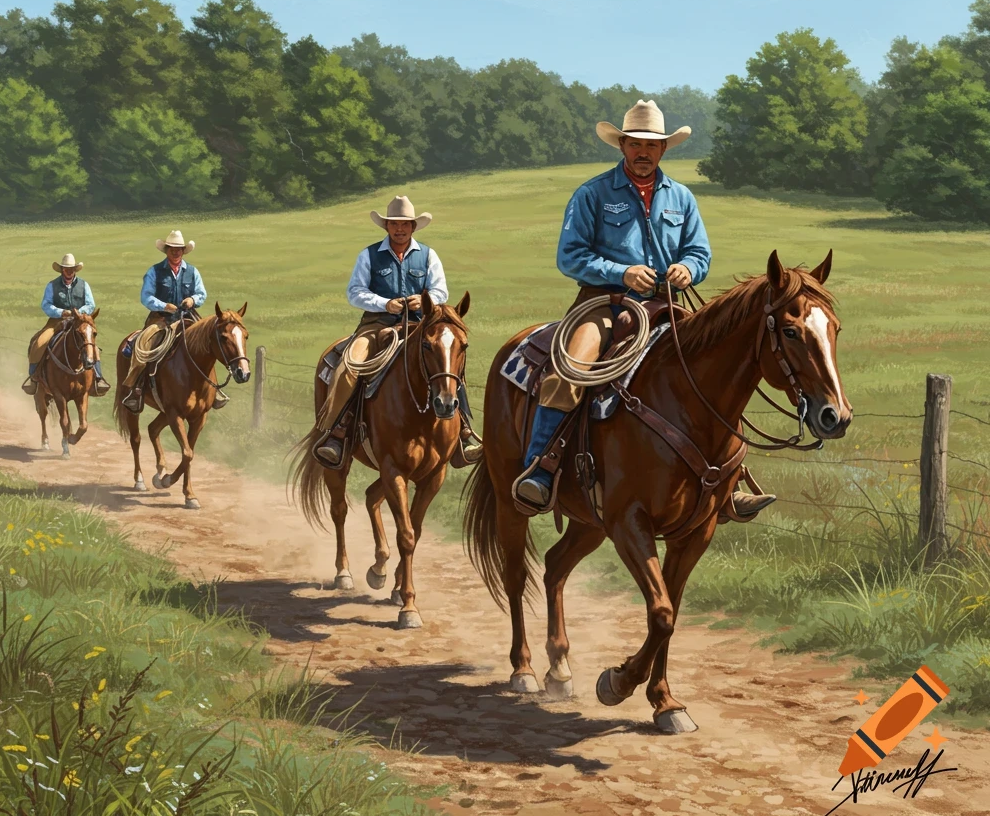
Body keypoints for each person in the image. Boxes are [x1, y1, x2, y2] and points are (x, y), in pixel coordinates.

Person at [513, 99, 776, 520]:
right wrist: (621, 272)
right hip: (603, 304)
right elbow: (570, 256)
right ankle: (541, 468)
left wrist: (688, 269)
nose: (643, 152)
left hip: (667, 307)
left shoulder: (682, 198)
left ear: (664, 150)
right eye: (635, 143)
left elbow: (699, 252)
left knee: (718, 369)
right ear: (621, 145)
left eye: (652, 145)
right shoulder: (593, 193)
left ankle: (728, 482)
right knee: (572, 367)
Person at [312, 195, 482, 469]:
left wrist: (423, 299)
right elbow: (355, 292)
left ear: (413, 226)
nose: (399, 229)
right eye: (394, 224)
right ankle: (337, 433)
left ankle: (463, 432)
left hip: (420, 325)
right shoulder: (368, 255)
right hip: (376, 325)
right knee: (350, 366)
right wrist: (384, 303)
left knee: (449, 363)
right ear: (387, 226)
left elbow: (440, 290)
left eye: (404, 224)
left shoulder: (428, 255)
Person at [120, 230, 208, 413]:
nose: (175, 252)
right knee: (143, 345)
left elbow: (201, 293)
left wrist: (192, 300)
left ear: (184, 251)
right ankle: (136, 388)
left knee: (209, 341)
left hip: (187, 317)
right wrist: (163, 306)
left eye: (179, 249)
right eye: (172, 249)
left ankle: (211, 390)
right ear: (166, 250)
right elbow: (146, 297)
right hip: (161, 319)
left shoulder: (192, 271)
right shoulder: (154, 271)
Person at [22, 253, 111, 396]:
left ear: (75, 270)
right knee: (39, 342)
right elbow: (46, 305)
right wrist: (61, 312)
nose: (69, 272)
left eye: (72, 269)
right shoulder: (52, 285)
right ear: (62, 270)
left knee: (91, 345)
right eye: (66, 269)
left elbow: (91, 304)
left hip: (79, 321)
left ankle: (98, 378)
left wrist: (79, 313)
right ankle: (33, 378)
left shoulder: (83, 285)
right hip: (56, 321)